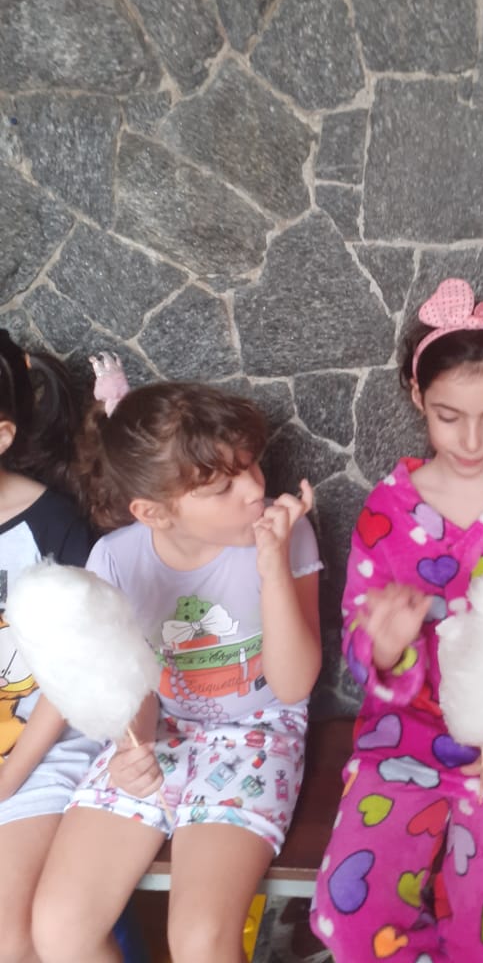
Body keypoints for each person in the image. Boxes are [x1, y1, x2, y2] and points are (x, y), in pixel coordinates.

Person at [311, 278, 483, 962]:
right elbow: (362, 644)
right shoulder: (388, 510)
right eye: (448, 415)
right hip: (404, 739)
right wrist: (386, 645)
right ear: (416, 395)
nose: (470, 439)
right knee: (351, 918)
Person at [32, 361, 322, 963]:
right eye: (222, 488)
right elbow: (129, 682)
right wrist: (131, 748)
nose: (255, 491)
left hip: (258, 732)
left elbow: (294, 685)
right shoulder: (115, 560)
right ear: (154, 512)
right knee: (59, 929)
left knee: (199, 942)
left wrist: (272, 567)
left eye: (251, 467)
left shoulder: (286, 533)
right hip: (161, 729)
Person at [0, 329, 97, 963]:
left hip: (43, 751)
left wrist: (8, 779)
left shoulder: (53, 526)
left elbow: (77, 675)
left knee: (8, 941)